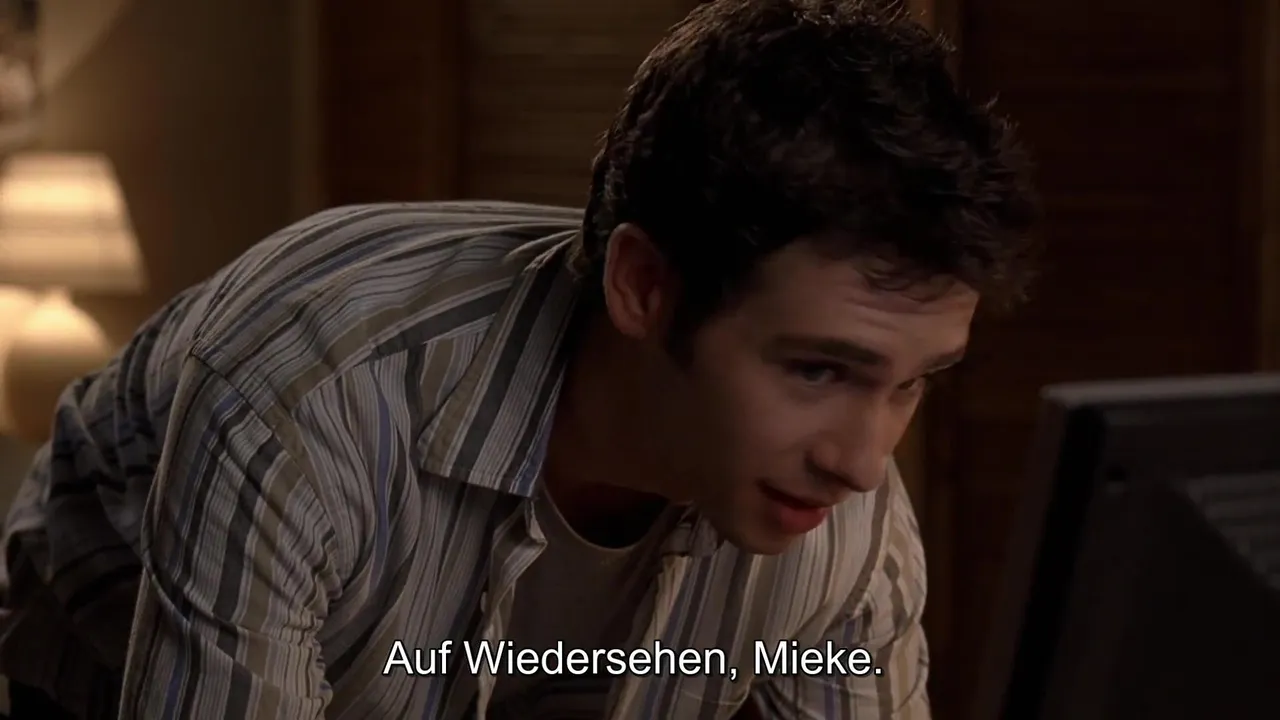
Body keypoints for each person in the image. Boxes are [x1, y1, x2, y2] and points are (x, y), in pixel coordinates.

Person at [0, 0, 1038, 717]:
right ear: (644, 287)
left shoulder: (846, 521)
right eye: (816, 370)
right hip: (107, 627)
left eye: (911, 382)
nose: (861, 461)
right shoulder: (311, 394)